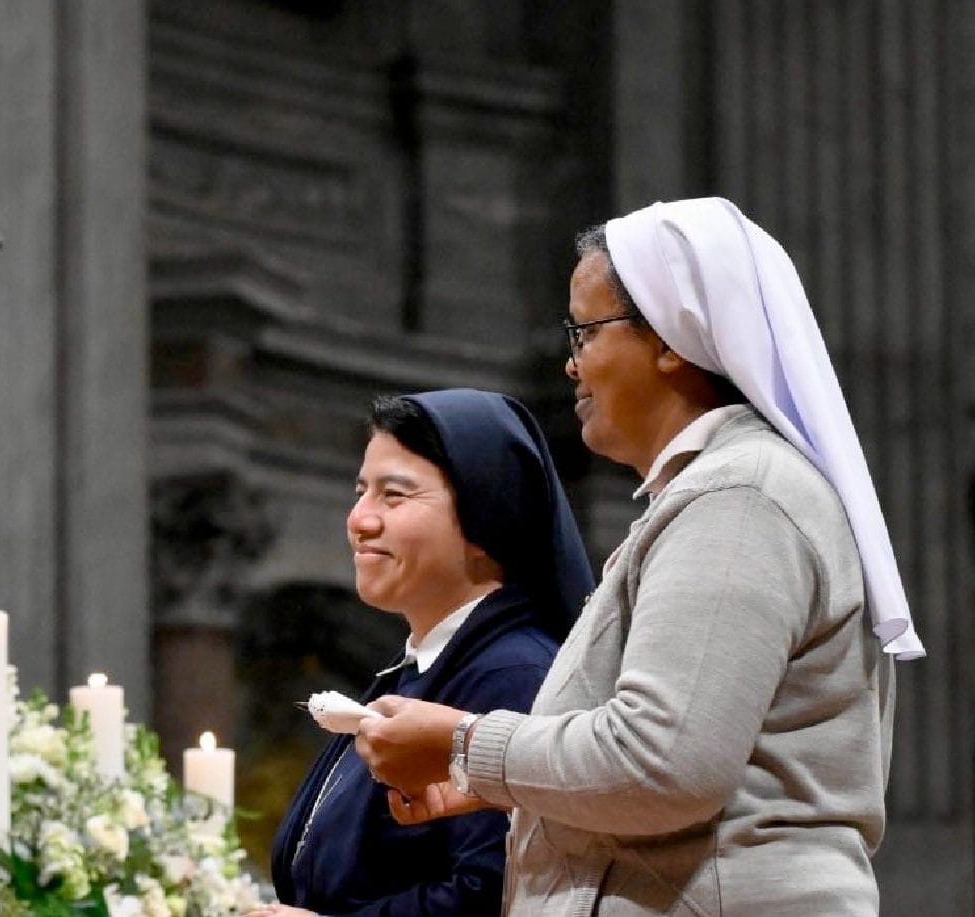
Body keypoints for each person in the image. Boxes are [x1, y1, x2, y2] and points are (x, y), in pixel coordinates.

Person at [354, 197, 923, 915]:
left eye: (584, 331)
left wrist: (464, 741)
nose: (568, 363)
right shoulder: (711, 493)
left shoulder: (739, 495)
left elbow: (661, 763)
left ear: (670, 337)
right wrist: (494, 783)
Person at [250, 389, 593, 917]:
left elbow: (493, 890)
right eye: (361, 490)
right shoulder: (425, 664)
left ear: (486, 520)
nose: (360, 520)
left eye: (394, 495)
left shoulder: (514, 673)